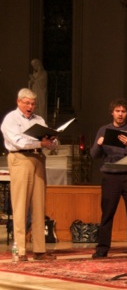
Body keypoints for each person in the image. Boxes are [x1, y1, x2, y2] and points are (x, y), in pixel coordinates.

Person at [1, 88, 57, 261]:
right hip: (21, 159)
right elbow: (17, 141)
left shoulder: (39, 119)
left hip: (38, 158)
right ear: (19, 102)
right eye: (26, 103)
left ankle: (40, 250)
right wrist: (40, 142)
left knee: (39, 205)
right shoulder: (11, 119)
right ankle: (21, 250)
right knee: (20, 205)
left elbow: (53, 142)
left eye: (33, 103)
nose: (30, 106)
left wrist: (52, 141)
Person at [90, 98, 127, 259]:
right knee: (107, 213)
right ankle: (102, 248)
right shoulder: (104, 130)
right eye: (117, 111)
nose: (120, 114)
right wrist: (99, 144)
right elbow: (94, 155)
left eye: (123, 111)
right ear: (112, 112)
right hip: (111, 176)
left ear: (126, 113)